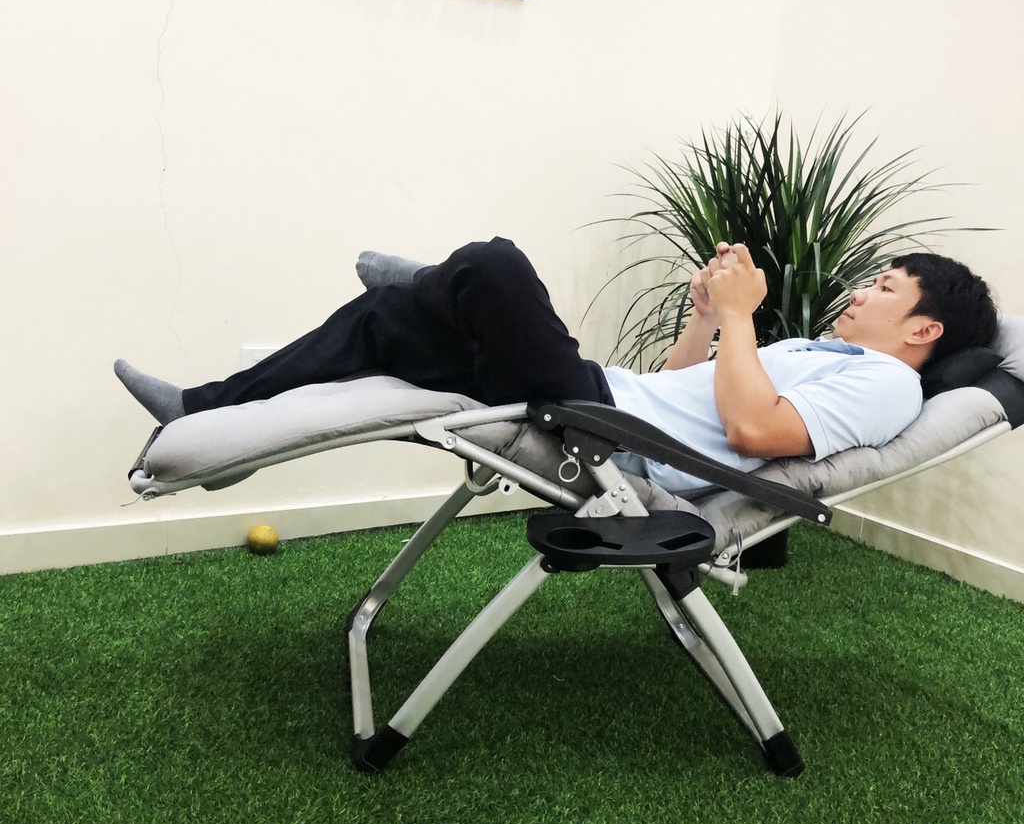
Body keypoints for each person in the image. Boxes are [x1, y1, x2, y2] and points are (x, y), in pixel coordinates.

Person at [114, 237, 998, 493]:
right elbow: (682, 385)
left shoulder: (886, 384)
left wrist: (741, 316)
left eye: (885, 287)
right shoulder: (823, 352)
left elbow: (751, 432)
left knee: (495, 264)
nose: (862, 291)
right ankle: (203, 411)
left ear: (923, 329)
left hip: (601, 432)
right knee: (383, 319)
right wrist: (708, 319)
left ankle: (442, 283)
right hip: (613, 398)